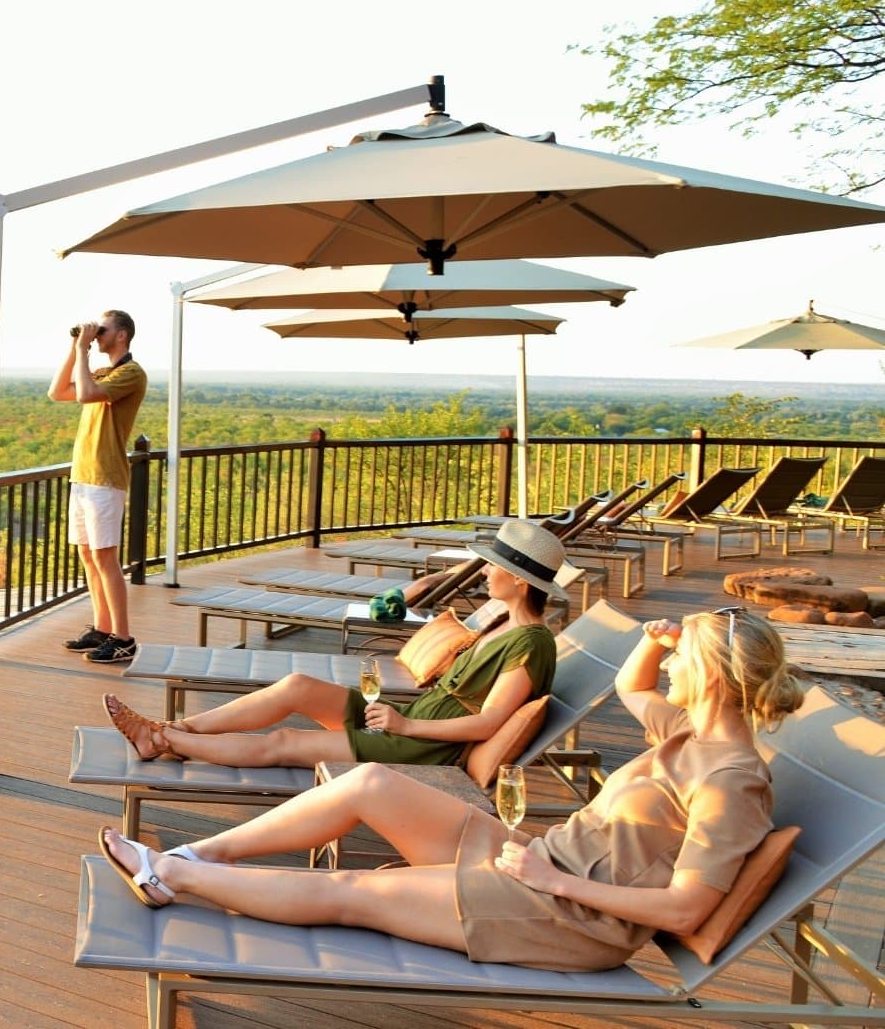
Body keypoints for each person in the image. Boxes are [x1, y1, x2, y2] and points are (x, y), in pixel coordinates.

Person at [98, 604, 807, 972]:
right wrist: (657, 639)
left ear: (713, 677)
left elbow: (684, 909)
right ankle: (200, 855)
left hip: (569, 916)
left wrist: (555, 884)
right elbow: (633, 685)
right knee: (368, 783)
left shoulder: (731, 780)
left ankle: (172, 875)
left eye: (684, 659)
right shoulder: (686, 733)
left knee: (356, 893)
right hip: (537, 861)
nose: (672, 669)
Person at [103, 518, 564, 769]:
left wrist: (406, 727)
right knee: (297, 686)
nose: (486, 571)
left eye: (494, 566)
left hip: (423, 744)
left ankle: (160, 738)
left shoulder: (532, 643)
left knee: (284, 742)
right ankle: (175, 728)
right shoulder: (501, 621)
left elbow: (488, 723)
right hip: (406, 720)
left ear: (520, 581)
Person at [48, 310, 147, 664]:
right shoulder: (104, 372)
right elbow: (57, 391)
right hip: (84, 475)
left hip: (106, 477)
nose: (98, 334)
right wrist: (76, 348)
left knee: (106, 557)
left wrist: (84, 351)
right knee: (88, 556)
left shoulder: (131, 373)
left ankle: (124, 638)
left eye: (103, 329)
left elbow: (85, 396)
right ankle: (102, 629)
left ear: (122, 335)